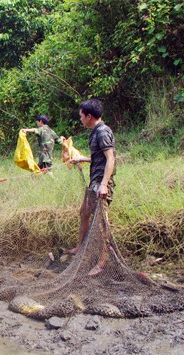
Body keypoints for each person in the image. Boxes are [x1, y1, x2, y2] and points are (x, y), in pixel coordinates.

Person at [68, 99, 116, 274]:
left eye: (81, 116)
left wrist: (104, 185)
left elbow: (110, 158)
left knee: (100, 223)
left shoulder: (102, 132)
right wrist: (83, 159)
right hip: (94, 181)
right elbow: (99, 158)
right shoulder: (95, 132)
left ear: (89, 116)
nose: (80, 119)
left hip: (101, 183)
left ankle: (102, 262)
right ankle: (80, 247)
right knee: (84, 212)